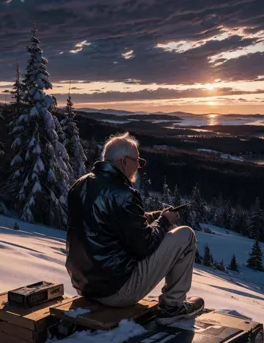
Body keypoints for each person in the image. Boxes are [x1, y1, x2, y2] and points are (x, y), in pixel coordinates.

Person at [65, 132, 204, 324]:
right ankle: (173, 306)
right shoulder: (123, 194)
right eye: (137, 160)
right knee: (185, 236)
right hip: (117, 291)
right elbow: (145, 246)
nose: (139, 166)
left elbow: (109, 224)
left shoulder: (80, 185)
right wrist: (164, 222)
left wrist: (154, 216)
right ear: (123, 162)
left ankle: (173, 305)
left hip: (86, 286)